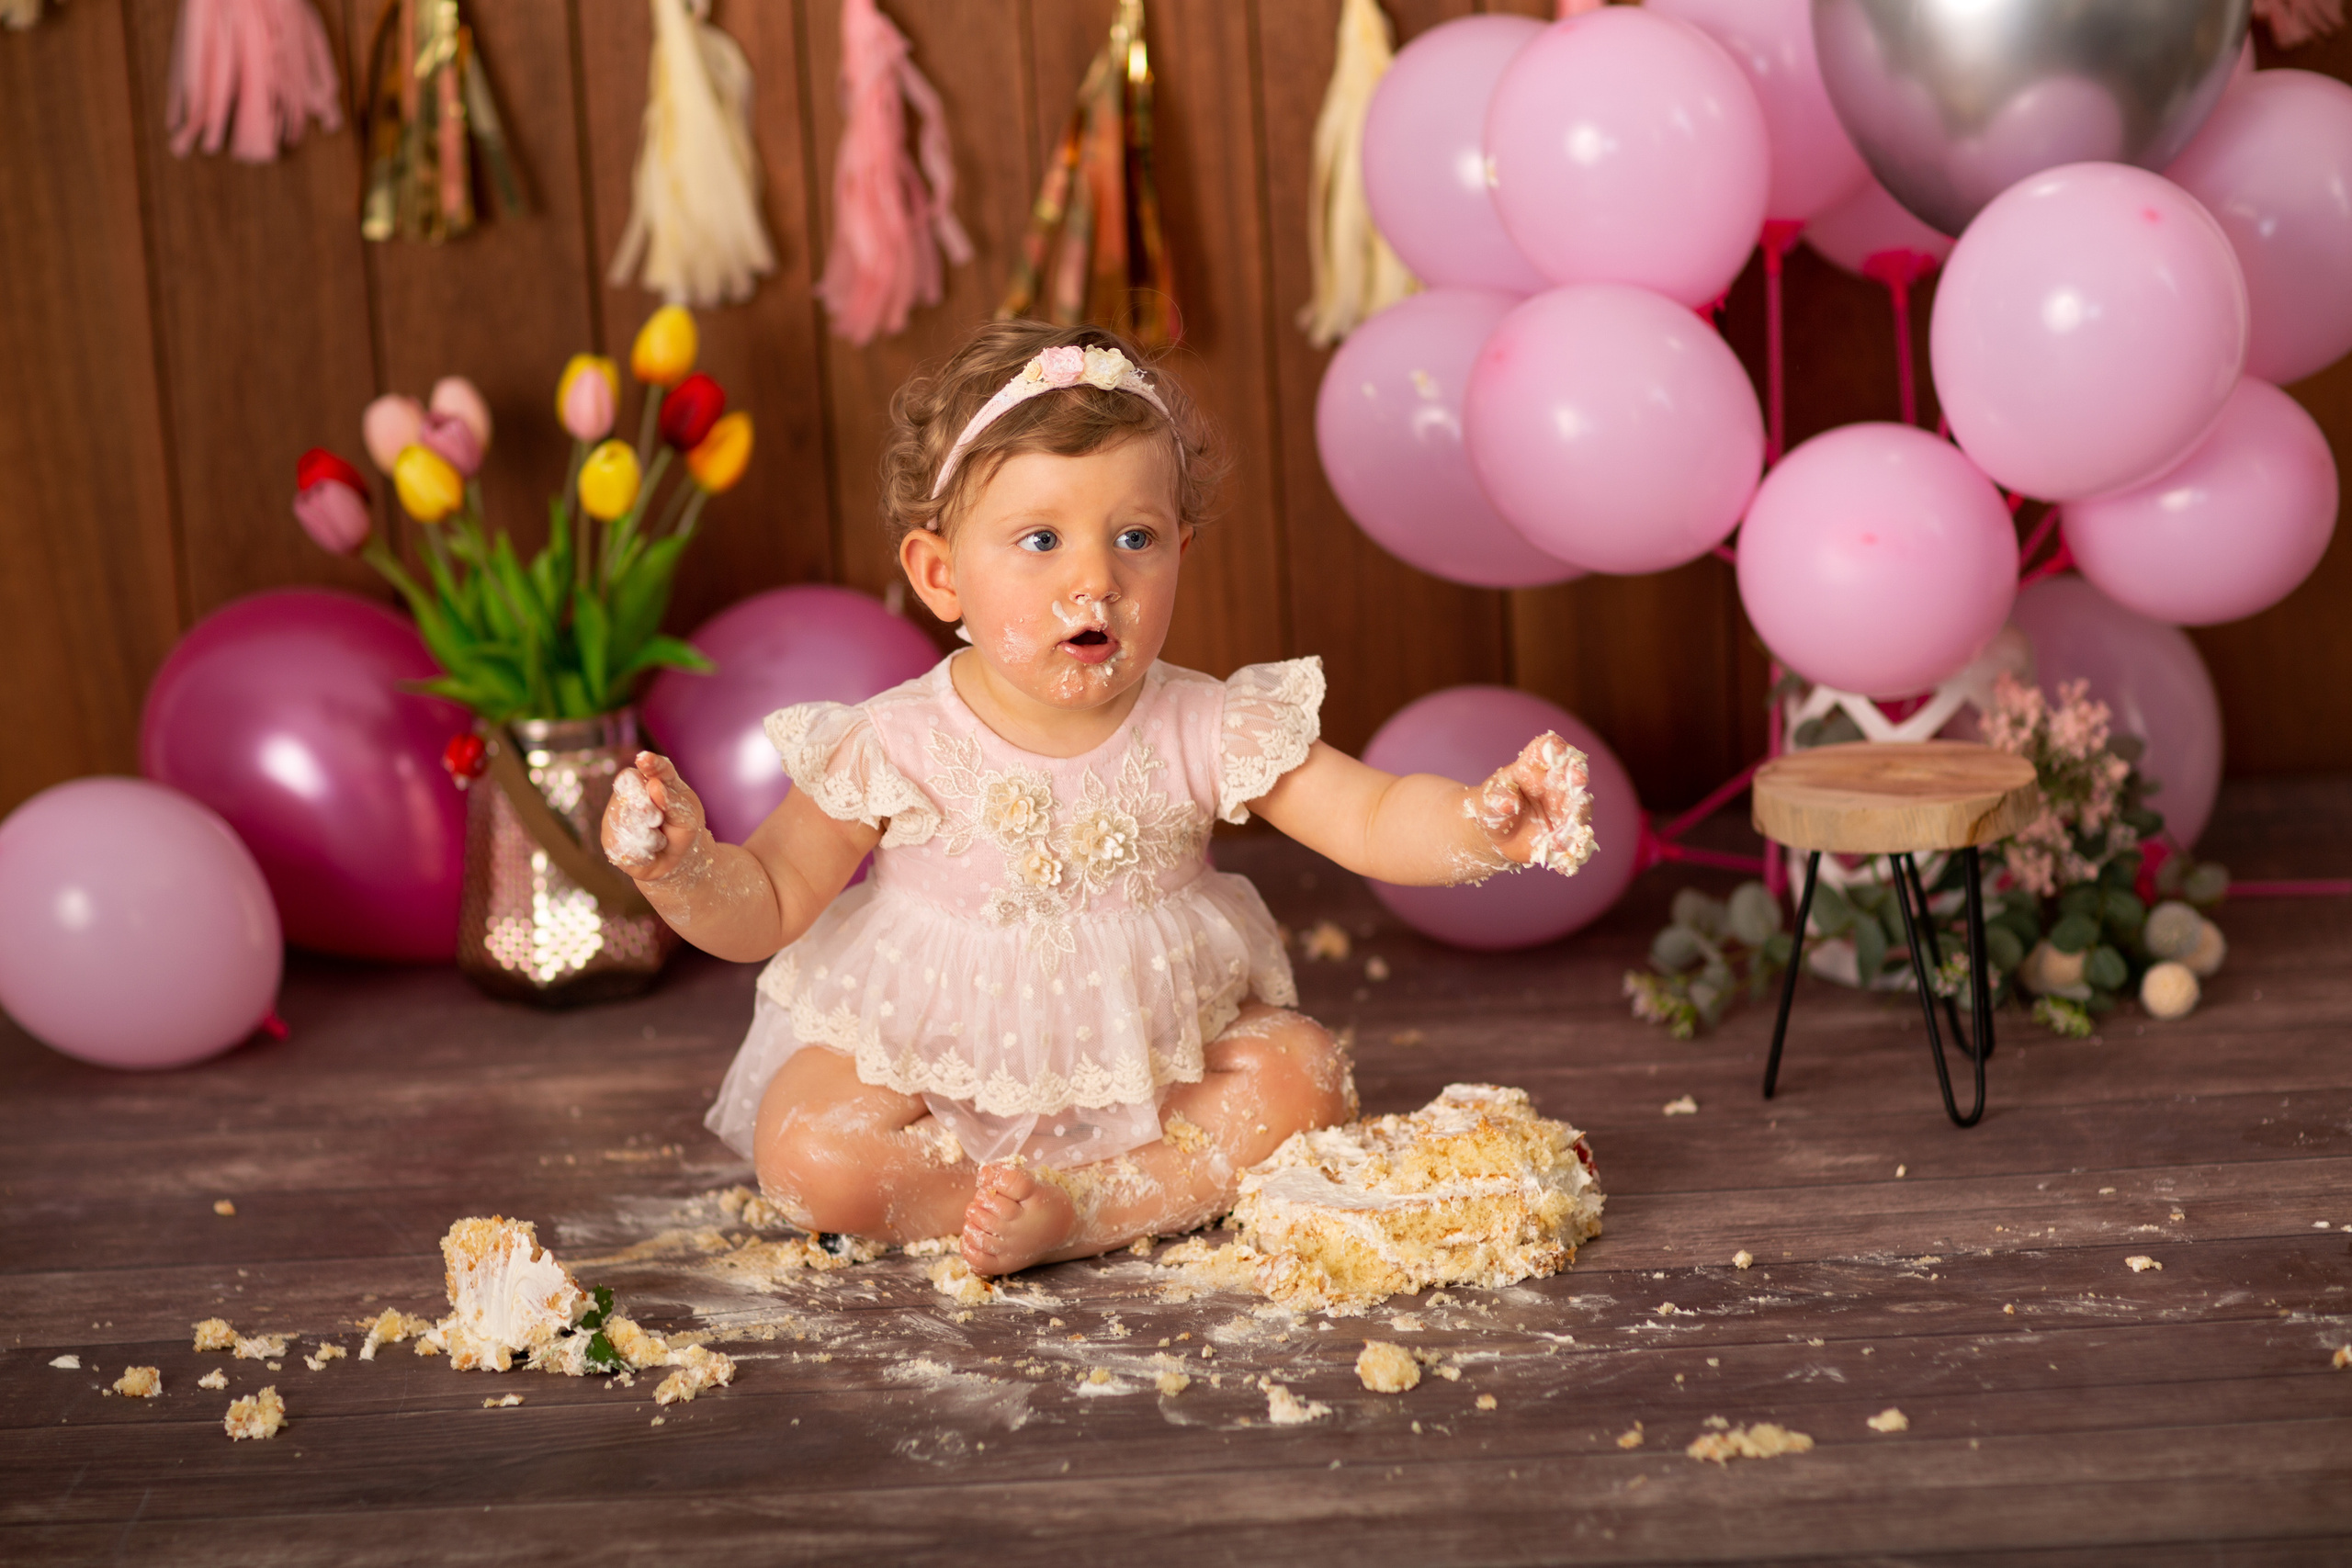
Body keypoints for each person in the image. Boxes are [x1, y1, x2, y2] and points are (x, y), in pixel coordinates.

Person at [600, 321, 1595, 1277]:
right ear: (939, 574)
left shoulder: (1204, 722)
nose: (1095, 580)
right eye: (1040, 540)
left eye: (1134, 537)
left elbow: (1371, 818)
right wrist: (682, 866)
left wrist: (1482, 823)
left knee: (1303, 1076)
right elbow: (767, 899)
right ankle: (977, 1205)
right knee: (806, 1147)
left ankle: (1088, 1210)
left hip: (1159, 1068)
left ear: (1181, 554)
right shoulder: (895, 741)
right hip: (940, 1076)